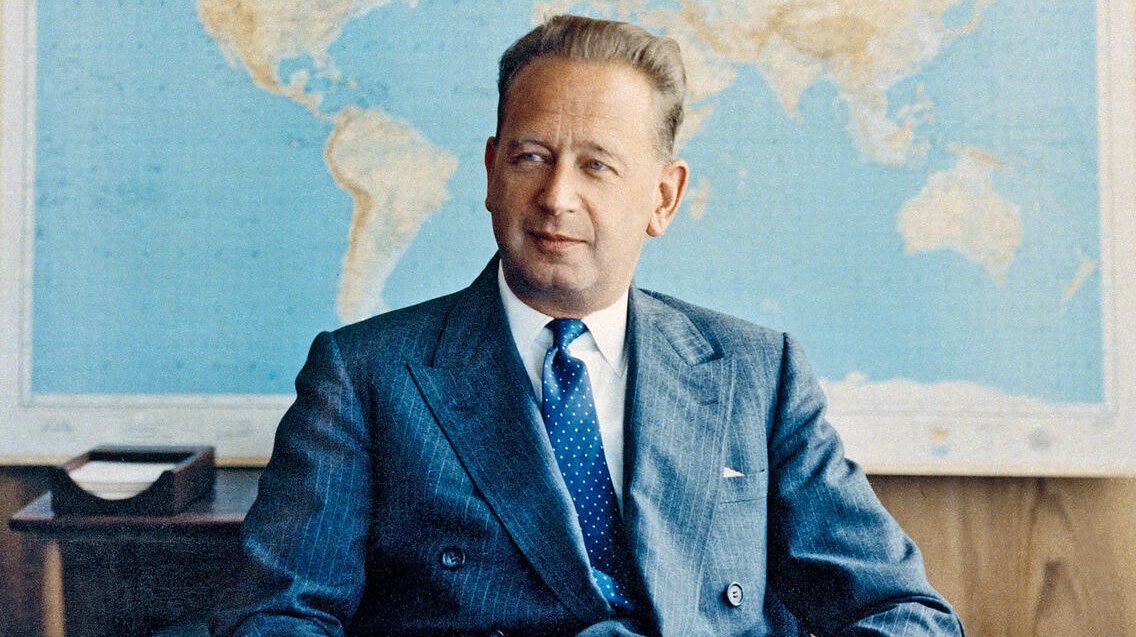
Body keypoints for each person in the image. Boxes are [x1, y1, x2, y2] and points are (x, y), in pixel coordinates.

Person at [211, 14, 964, 637]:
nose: (556, 196)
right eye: (531, 156)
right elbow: (276, 618)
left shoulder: (757, 375)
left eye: (597, 165)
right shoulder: (366, 376)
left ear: (663, 198)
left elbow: (905, 612)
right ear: (491, 171)